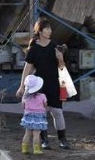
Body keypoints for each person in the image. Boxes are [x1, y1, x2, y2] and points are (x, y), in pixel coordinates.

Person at [16, 17, 71, 150]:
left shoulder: (55, 46)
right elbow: (27, 68)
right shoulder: (34, 49)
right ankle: (44, 140)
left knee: (57, 112)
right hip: (37, 85)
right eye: (46, 29)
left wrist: (61, 59)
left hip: (54, 83)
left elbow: (62, 68)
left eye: (50, 28)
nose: (50, 31)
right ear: (39, 31)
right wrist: (22, 86)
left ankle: (62, 139)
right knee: (40, 113)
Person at [20, 75, 49, 155]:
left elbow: (23, 106)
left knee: (27, 133)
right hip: (38, 117)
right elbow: (45, 105)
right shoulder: (42, 96)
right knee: (36, 134)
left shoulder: (25, 97)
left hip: (28, 116)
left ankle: (24, 149)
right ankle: (36, 149)